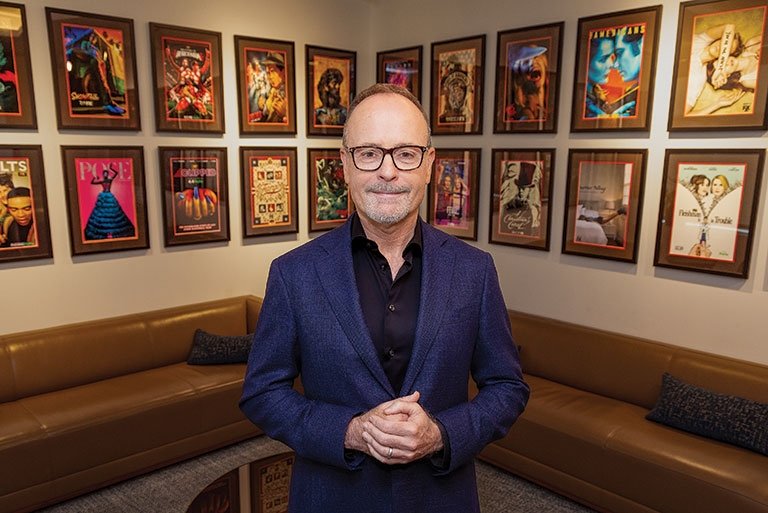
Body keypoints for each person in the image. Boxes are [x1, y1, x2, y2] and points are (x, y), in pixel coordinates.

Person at [240, 83, 529, 513]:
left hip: (440, 500)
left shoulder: (474, 270)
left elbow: (507, 387)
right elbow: (262, 392)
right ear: (344, 164)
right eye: (369, 153)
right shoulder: (294, 273)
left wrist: (441, 433)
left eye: (405, 153)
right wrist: (351, 431)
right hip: (332, 500)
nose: (388, 172)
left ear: (429, 164)